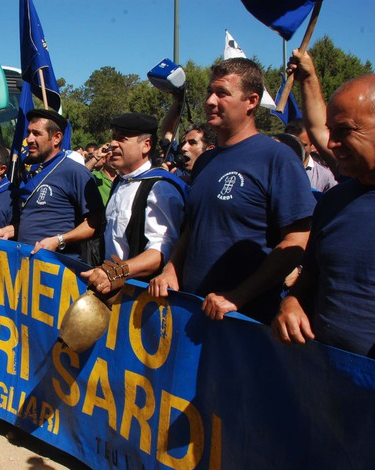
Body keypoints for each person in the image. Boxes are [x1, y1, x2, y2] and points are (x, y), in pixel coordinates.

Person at [148, 58, 315, 325]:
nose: (211, 101)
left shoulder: (276, 158)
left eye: (222, 93)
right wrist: (171, 269)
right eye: (209, 92)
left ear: (251, 101)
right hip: (191, 313)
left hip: (243, 323)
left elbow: (296, 242)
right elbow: (193, 228)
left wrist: (238, 296)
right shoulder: (205, 161)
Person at [272, 74, 375, 357]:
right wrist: (292, 302)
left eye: (345, 130)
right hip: (322, 376)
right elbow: (314, 271)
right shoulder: (333, 201)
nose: (331, 144)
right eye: (331, 131)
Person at [82, 113, 186, 294]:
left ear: (146, 145)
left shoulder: (159, 187)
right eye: (114, 138)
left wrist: (115, 273)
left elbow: (160, 251)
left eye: (122, 139)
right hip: (112, 289)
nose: (113, 144)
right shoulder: (120, 182)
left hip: (141, 297)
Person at [0, 110, 104, 260]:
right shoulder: (31, 172)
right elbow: (33, 221)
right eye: (28, 132)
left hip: (58, 269)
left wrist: (59, 240)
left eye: (36, 133)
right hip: (27, 265)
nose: (29, 139)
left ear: (56, 138)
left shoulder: (74, 171)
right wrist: (9, 231)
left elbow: (95, 222)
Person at [285, 119, 338, 192]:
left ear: (312, 144)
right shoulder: (272, 170)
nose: (297, 148)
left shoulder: (325, 176)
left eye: (303, 145)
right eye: (292, 144)